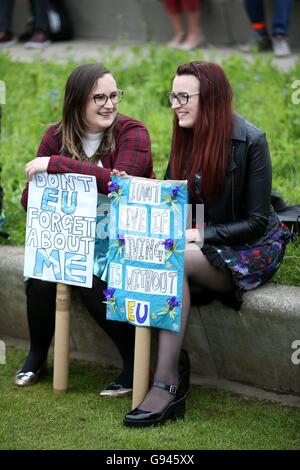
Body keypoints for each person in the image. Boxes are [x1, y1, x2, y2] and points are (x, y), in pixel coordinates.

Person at [124, 61, 291, 427]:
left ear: (211, 98)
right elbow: (178, 200)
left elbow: (256, 222)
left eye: (184, 96)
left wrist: (198, 235)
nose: (175, 104)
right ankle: (162, 370)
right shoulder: (185, 133)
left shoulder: (250, 140)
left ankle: (166, 383)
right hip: (200, 241)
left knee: (176, 260)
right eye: (173, 95)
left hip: (251, 248)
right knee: (155, 257)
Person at [14, 63, 154, 397]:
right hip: (72, 233)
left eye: (114, 95)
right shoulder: (55, 136)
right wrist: (47, 183)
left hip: (123, 235)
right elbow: (29, 199)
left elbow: (124, 186)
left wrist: (58, 166)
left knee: (92, 275)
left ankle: (134, 365)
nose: (110, 104)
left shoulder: (132, 132)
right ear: (78, 103)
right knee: (43, 266)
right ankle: (36, 354)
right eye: (99, 98)